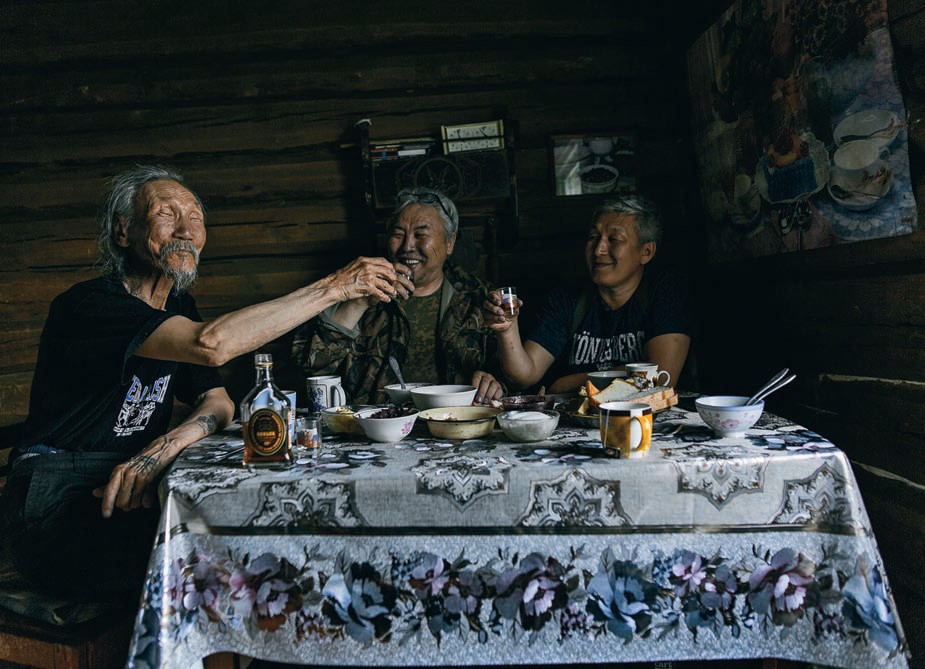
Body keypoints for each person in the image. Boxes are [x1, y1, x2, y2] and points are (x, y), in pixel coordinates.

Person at [0, 165, 406, 597]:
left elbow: (219, 402)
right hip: (57, 492)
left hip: (132, 479)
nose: (186, 230)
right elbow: (211, 344)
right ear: (123, 231)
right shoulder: (89, 305)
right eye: (166, 214)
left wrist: (165, 447)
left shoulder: (177, 304)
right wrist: (335, 287)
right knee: (215, 568)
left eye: (195, 217)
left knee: (247, 546)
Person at [292, 187, 505, 405]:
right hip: (374, 421)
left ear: (449, 243)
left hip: (456, 419)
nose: (407, 246)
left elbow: (509, 375)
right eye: (398, 234)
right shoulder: (359, 287)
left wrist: (493, 383)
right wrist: (359, 302)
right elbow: (311, 369)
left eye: (421, 235)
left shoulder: (477, 296)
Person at [484, 195, 692, 394]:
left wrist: (567, 384)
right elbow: (524, 375)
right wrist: (507, 329)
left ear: (646, 252)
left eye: (614, 239)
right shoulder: (568, 299)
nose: (598, 249)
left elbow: (660, 377)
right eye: (593, 237)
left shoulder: (664, 292)